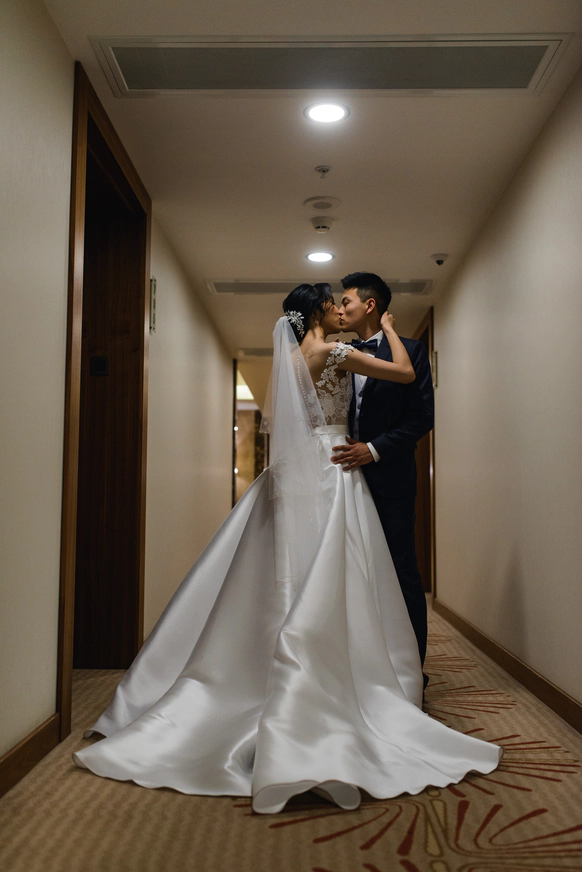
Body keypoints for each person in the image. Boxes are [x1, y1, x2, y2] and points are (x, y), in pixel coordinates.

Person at [73, 282, 500, 814]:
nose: (340, 309)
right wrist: (390, 329)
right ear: (318, 311)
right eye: (333, 303)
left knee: (293, 570)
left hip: (301, 467)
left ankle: (266, 670)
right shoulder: (332, 352)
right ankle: (337, 674)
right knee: (341, 568)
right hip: (334, 464)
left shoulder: (296, 357)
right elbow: (404, 373)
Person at [333, 272, 433, 682]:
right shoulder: (338, 353)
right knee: (353, 574)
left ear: (369, 305)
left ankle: (411, 673)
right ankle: (362, 669)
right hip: (344, 482)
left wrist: (372, 449)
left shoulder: (411, 351)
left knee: (400, 570)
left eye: (347, 301)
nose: (340, 309)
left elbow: (422, 417)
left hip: (391, 479)